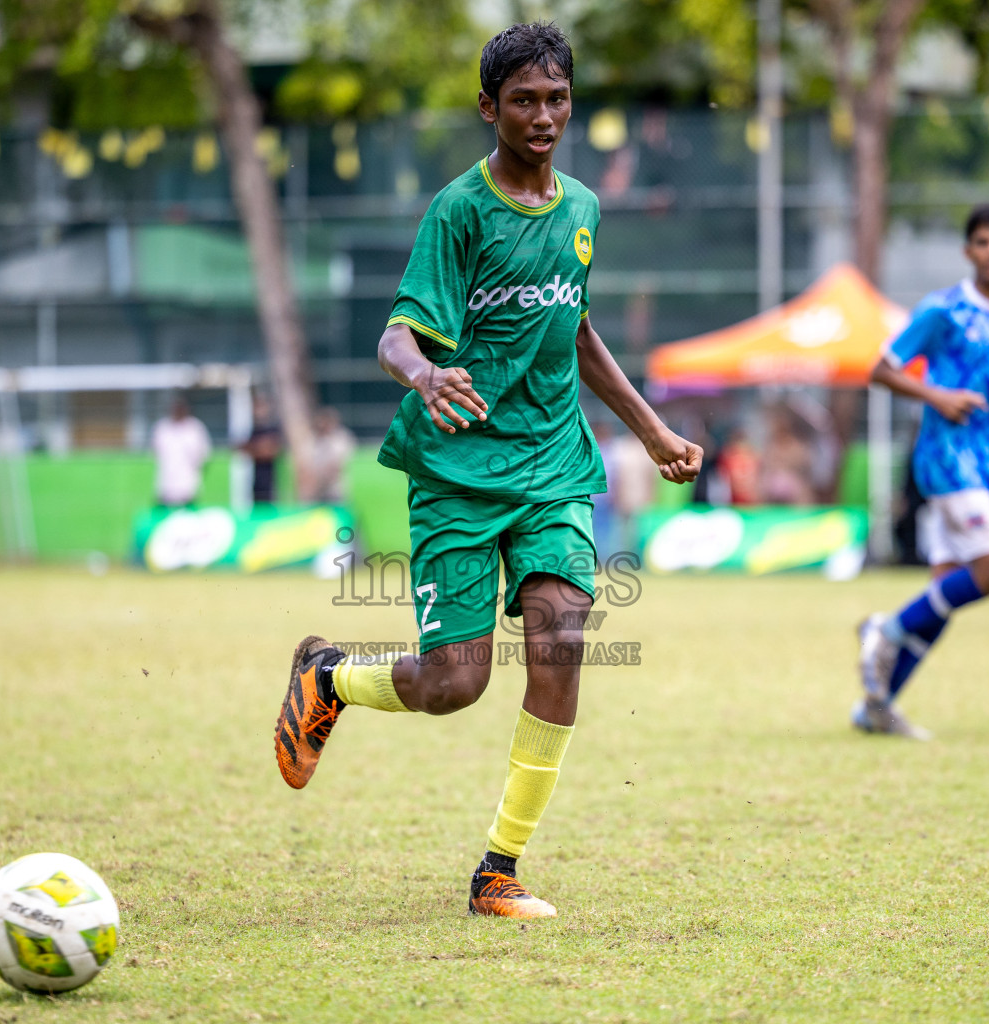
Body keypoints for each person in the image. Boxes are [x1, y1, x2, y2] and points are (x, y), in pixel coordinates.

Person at [272, 22, 702, 920]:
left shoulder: (583, 208)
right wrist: (426, 374)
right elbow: (396, 334)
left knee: (563, 642)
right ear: (488, 108)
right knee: (452, 683)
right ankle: (328, 676)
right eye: (523, 100)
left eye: (556, 98)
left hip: (551, 464)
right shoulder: (458, 211)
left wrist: (654, 430)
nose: (543, 116)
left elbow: (576, 331)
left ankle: (498, 869)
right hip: (459, 474)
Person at [856, 204, 989, 739]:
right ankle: (885, 628)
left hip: (988, 466)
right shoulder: (942, 310)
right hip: (945, 458)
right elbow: (881, 370)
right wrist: (936, 395)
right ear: (968, 250)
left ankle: (877, 706)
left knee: (945, 593)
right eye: (983, 242)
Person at [150, 395, 213, 508]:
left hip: (188, 487)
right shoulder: (162, 427)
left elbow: (204, 457)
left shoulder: (195, 428)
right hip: (165, 486)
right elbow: (156, 453)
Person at [301, 408, 356, 505]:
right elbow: (305, 465)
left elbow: (338, 464)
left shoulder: (340, 438)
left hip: (334, 489)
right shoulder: (311, 440)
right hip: (315, 491)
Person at [242, 395, 282, 505]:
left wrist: (258, 449)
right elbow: (244, 448)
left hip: (270, 481)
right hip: (256, 479)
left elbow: (270, 451)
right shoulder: (254, 429)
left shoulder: (273, 428)